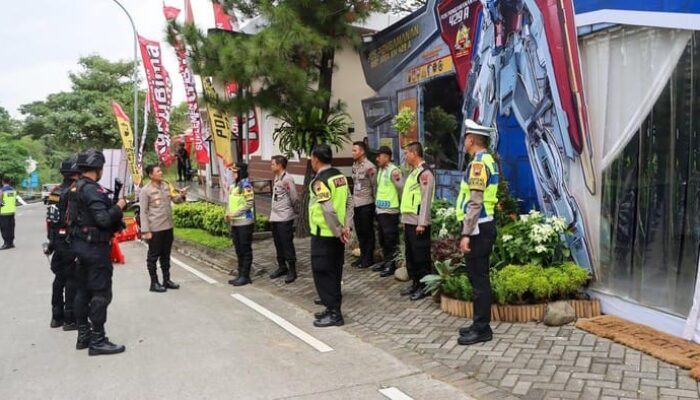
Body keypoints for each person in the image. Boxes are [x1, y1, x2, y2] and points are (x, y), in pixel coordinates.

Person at [68, 149, 127, 355]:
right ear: (98, 169)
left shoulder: (75, 187)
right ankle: (98, 339)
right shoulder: (92, 190)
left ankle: (83, 335)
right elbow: (103, 219)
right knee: (101, 293)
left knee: (83, 292)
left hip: (80, 247)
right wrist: (119, 206)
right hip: (95, 250)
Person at [456, 120, 499, 346]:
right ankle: (478, 324)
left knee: (479, 281)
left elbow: (475, 203)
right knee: (478, 279)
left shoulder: (478, 165)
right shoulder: (487, 160)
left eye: (466, 138)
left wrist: (466, 233)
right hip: (482, 226)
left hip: (478, 228)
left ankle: (482, 329)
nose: (464, 141)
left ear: (471, 139)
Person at [308, 144, 354, 327]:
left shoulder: (319, 182)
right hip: (337, 234)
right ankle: (330, 307)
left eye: (311, 158)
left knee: (323, 273)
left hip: (325, 235)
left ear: (316, 159)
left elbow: (327, 210)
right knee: (334, 272)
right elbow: (350, 202)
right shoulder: (340, 177)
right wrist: (347, 227)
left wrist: (338, 231)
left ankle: (335, 313)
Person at [44, 156, 81, 330]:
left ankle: (56, 316)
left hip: (56, 240)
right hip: (70, 240)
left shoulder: (55, 192)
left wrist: (51, 241)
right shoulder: (75, 191)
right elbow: (76, 219)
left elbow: (50, 221)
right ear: (75, 173)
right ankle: (70, 318)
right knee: (72, 278)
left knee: (59, 278)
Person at [140, 164, 188, 293]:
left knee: (166, 255)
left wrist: (182, 195)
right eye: (158, 171)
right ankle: (154, 283)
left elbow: (175, 200)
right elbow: (143, 212)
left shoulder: (166, 186)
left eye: (160, 170)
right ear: (151, 175)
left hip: (167, 226)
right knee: (153, 257)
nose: (161, 173)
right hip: (155, 229)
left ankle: (166, 280)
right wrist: (146, 230)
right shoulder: (145, 190)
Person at [399, 142, 435, 301]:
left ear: (414, 153)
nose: (405, 156)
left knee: (421, 256)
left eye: (407, 153)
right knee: (411, 255)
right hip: (409, 220)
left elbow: (426, 200)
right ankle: (415, 283)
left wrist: (422, 222)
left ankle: (425, 286)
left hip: (418, 222)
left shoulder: (425, 173)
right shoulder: (415, 172)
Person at [373, 146, 404, 278]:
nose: (377, 158)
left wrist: (402, 207)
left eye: (379, 156)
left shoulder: (394, 171)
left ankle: (391, 264)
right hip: (380, 210)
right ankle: (386, 261)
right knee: (382, 238)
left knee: (390, 239)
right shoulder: (381, 170)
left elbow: (401, 189)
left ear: (387, 157)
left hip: (390, 211)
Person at [268, 155, 299, 283]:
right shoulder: (277, 177)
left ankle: (292, 269)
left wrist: (294, 213)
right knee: (278, 243)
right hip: (275, 217)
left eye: (273, 164)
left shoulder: (287, 179)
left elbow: (294, 198)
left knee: (286, 244)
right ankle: (282, 267)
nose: (271, 166)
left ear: (280, 165)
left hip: (285, 217)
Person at [226, 162, 255, 286]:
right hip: (235, 223)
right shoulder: (233, 186)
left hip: (244, 222)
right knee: (238, 249)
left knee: (245, 249)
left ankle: (245, 275)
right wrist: (227, 213)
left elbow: (249, 203)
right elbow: (230, 202)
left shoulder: (246, 185)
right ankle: (240, 273)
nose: (233, 174)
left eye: (235, 171)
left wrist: (235, 214)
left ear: (240, 172)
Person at [351, 141, 377, 269]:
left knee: (367, 232)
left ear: (362, 151)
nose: (353, 153)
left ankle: (368, 258)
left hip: (367, 203)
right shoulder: (355, 165)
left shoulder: (370, 167)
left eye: (355, 150)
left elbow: (374, 186)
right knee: (360, 231)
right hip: (356, 203)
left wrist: (376, 204)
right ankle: (362, 256)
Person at [0, 176, 17, 250]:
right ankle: (11, 243)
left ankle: (6, 243)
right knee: (11, 228)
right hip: (12, 212)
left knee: (4, 228)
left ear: (3, 182)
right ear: (9, 182)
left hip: (4, 212)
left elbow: (0, 201)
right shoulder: (13, 190)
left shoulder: (2, 190)